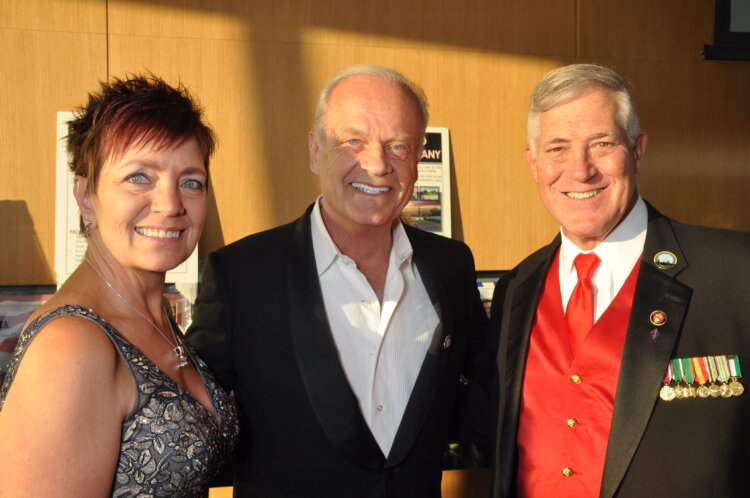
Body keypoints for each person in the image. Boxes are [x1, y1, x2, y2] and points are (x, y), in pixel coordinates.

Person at [187, 64, 488, 497]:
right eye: (353, 141)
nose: (377, 164)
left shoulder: (451, 265)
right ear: (315, 150)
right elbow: (197, 428)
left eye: (398, 146)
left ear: (419, 156)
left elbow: (482, 396)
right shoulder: (241, 276)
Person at [490, 63, 750, 497]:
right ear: (533, 163)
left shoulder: (735, 272)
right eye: (557, 148)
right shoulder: (516, 288)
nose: (580, 169)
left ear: (638, 149)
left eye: (602, 143)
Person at [0, 76, 239, 496]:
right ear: (85, 196)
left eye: (191, 181)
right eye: (139, 178)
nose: (170, 204)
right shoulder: (72, 346)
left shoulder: (154, 314)